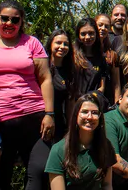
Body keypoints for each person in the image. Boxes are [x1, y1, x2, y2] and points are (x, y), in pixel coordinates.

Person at [0, 0, 55, 190]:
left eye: (15, 19)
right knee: (0, 177)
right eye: (4, 18)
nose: (9, 23)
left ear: (21, 22)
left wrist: (49, 114)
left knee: (39, 172)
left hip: (34, 118)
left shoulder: (32, 43)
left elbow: (45, 78)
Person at [29, 29, 74, 190]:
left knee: (55, 170)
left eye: (66, 44)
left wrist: (70, 130)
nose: (62, 46)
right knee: (37, 170)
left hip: (60, 127)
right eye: (58, 43)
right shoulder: (41, 66)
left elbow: (70, 102)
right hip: (39, 123)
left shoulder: (69, 71)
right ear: (50, 44)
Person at [45, 93, 113, 189]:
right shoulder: (58, 150)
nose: (89, 117)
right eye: (85, 112)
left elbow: (107, 184)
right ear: (76, 115)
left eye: (94, 113)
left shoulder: (106, 146)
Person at [71, 18, 115, 112]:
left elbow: (101, 87)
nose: (87, 37)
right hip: (73, 105)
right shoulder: (71, 56)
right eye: (83, 34)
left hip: (93, 105)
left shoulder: (101, 58)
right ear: (78, 35)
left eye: (91, 33)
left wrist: (90, 99)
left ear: (96, 34)